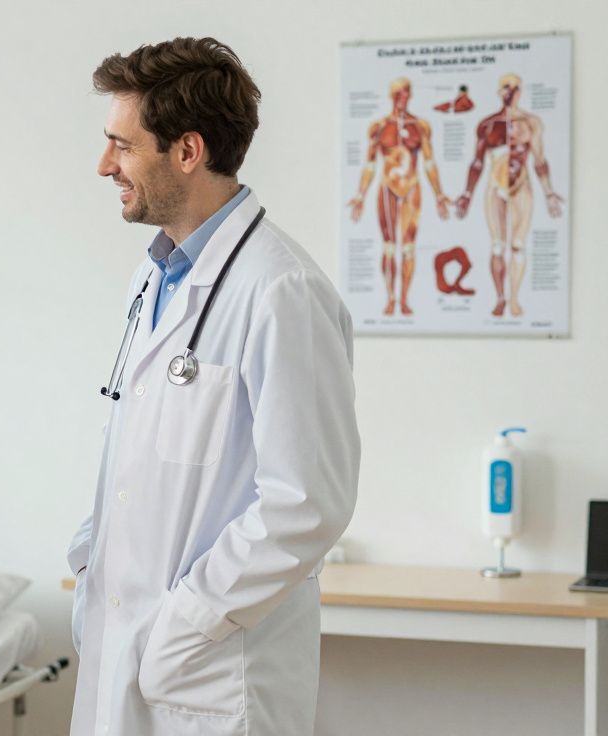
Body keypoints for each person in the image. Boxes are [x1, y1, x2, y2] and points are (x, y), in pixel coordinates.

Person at [67, 37, 361, 736]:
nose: (104, 164)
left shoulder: (282, 290)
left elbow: (306, 505)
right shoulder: (156, 276)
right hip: (125, 643)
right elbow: (138, 458)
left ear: (188, 151)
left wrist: (190, 621)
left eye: (122, 145)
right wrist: (90, 564)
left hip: (212, 670)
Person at [454, 73, 565, 317]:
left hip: (521, 186)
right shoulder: (488, 125)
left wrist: (549, 194)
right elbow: (477, 162)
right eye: (506, 87)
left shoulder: (531, 123)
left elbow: (539, 161)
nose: (510, 91)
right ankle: (500, 299)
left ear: (520, 91)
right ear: (499, 91)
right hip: (495, 187)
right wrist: (467, 194)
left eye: (515, 87)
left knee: (517, 246)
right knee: (497, 246)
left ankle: (514, 298)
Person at [346, 77, 452, 316]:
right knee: (389, 246)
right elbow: (370, 164)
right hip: (388, 188)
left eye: (406, 92)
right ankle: (390, 298)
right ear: (391, 96)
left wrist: (439, 194)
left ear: (410, 95)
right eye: (398, 93)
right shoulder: (379, 127)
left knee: (408, 247)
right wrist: (360, 195)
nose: (402, 97)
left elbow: (429, 162)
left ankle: (404, 299)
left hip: (411, 187)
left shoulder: (420, 126)